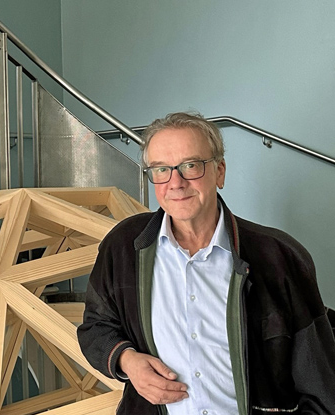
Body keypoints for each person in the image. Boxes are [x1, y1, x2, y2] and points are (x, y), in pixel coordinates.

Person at [78, 112, 335, 414]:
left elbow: (320, 384)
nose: (176, 183)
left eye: (191, 165)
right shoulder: (123, 246)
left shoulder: (279, 256)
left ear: (220, 172)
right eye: (161, 169)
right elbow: (95, 327)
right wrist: (127, 360)